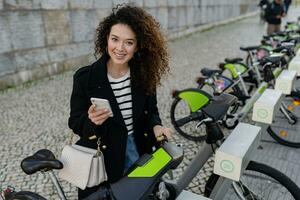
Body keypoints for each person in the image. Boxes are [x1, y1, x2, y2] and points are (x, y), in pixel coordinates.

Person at [68, 4, 172, 199]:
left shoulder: (144, 75)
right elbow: (75, 122)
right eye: (115, 39)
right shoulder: (85, 78)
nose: (120, 48)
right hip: (104, 159)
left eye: (129, 42)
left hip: (139, 151)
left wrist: (157, 127)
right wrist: (92, 122)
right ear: (106, 38)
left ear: (138, 45)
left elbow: (152, 112)